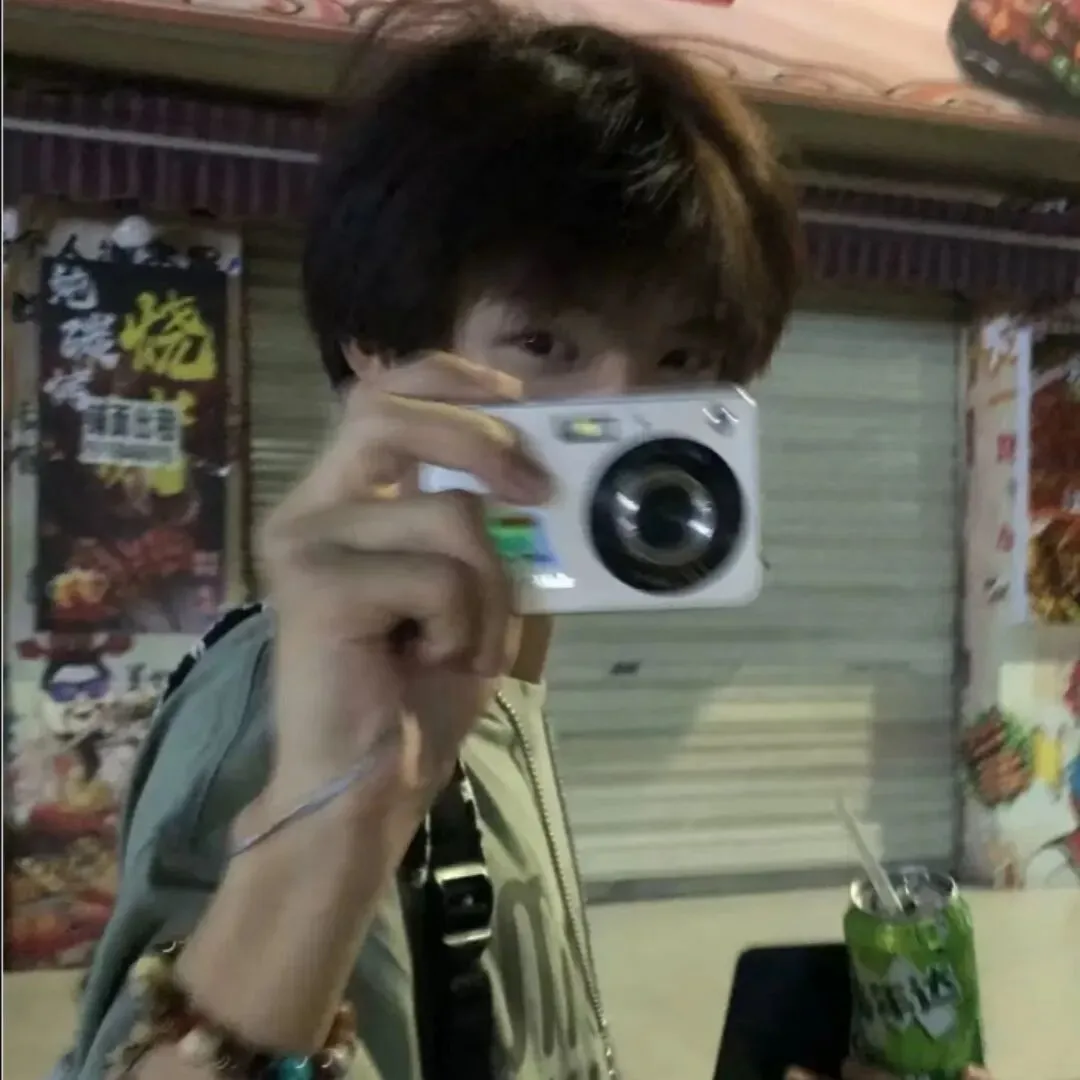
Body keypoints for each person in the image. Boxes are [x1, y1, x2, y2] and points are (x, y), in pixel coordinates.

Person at [58, 2, 991, 1080]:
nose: (624, 415)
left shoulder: (497, 671)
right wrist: (341, 807)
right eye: (546, 341)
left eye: (682, 361)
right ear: (378, 351)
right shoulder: (292, 710)